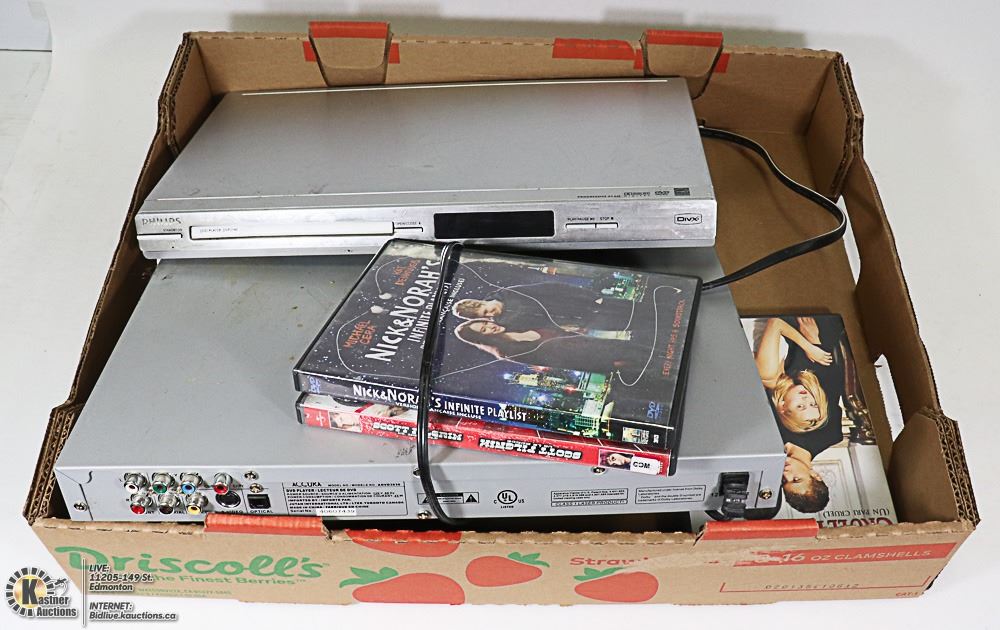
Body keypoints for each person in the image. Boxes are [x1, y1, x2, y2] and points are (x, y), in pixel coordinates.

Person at [754, 316, 845, 457]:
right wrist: (814, 341)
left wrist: (809, 347)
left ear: (783, 407)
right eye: (813, 404)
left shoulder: (768, 374)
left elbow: (775, 323)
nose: (806, 399)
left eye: (800, 406)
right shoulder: (790, 377)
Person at [453, 319, 651, 375]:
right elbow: (559, 362)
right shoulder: (506, 351)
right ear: (482, 338)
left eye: (485, 323)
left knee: (648, 350)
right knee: (648, 363)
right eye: (484, 330)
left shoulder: (514, 323)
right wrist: (607, 365)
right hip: (600, 358)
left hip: (597, 343)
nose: (490, 326)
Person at [451, 280, 634, 333]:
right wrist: (566, 328)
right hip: (585, 321)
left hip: (587, 303)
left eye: (485, 309)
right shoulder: (503, 323)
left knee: (637, 310)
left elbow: (552, 288)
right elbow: (540, 326)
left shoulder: (510, 292)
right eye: (484, 316)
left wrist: (591, 296)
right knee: (629, 326)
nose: (489, 314)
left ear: (482, 301)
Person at [781, 442, 830, 513]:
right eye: (796, 479)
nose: (785, 474)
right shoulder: (828, 437)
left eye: (784, 481)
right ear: (815, 475)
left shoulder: (770, 461)